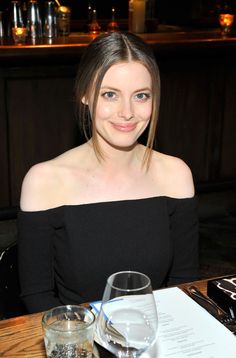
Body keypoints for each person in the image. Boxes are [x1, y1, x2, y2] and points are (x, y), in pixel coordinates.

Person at [18, 31, 199, 314]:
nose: (126, 112)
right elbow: (37, 297)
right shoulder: (44, 182)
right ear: (85, 95)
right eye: (110, 94)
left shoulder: (176, 175)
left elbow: (184, 284)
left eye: (141, 96)